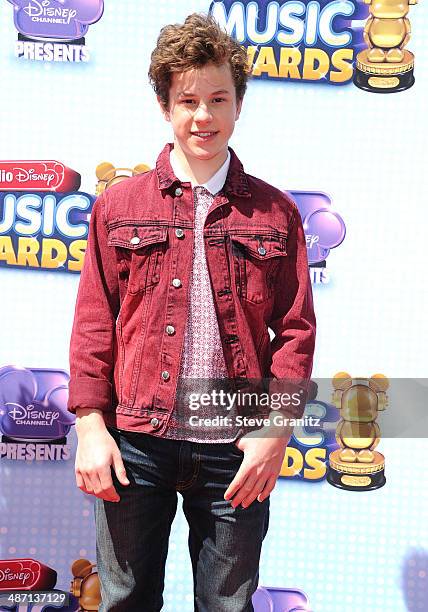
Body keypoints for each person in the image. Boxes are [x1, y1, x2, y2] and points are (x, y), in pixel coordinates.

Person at [67, 12, 316, 612]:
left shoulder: (275, 213)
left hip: (235, 448)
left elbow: (296, 329)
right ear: (166, 106)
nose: (203, 116)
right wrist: (91, 426)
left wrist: (275, 428)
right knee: (124, 598)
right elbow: (95, 321)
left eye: (218, 98)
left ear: (238, 106)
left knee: (227, 606)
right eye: (188, 100)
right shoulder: (119, 206)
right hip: (135, 444)